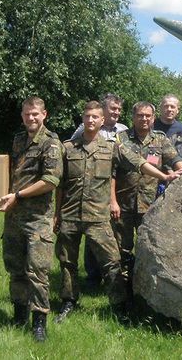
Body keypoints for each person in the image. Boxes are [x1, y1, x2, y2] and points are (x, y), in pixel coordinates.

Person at [54, 101, 171, 322]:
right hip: (70, 215)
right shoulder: (67, 148)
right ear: (83, 118)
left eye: (95, 117)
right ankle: (68, 301)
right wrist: (56, 214)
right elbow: (60, 185)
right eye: (87, 116)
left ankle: (118, 305)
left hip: (98, 216)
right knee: (67, 261)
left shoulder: (112, 148)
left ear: (101, 121)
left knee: (111, 261)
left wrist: (164, 177)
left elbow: (139, 163)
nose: (90, 120)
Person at [0, 97, 63, 342]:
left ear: (44, 114)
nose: (31, 118)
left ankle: (39, 323)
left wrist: (17, 195)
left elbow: (50, 181)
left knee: (37, 273)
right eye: (27, 114)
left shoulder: (51, 143)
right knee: (15, 269)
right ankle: (18, 315)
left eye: (35, 114)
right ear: (22, 116)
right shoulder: (18, 139)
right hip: (13, 217)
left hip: (37, 219)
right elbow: (9, 172)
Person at [114, 102, 182, 299]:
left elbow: (174, 158)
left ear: (153, 118)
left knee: (149, 247)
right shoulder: (120, 138)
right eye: (140, 115)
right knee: (123, 249)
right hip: (124, 204)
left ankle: (147, 289)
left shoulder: (160, 140)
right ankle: (125, 292)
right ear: (133, 117)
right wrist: (112, 201)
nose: (144, 119)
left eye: (148, 116)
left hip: (150, 205)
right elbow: (116, 171)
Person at [79, 93, 129, 288]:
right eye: (112, 109)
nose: (116, 112)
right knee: (92, 237)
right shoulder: (84, 129)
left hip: (117, 188)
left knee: (112, 236)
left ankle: (115, 277)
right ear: (103, 111)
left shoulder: (123, 131)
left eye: (118, 109)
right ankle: (93, 277)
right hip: (92, 194)